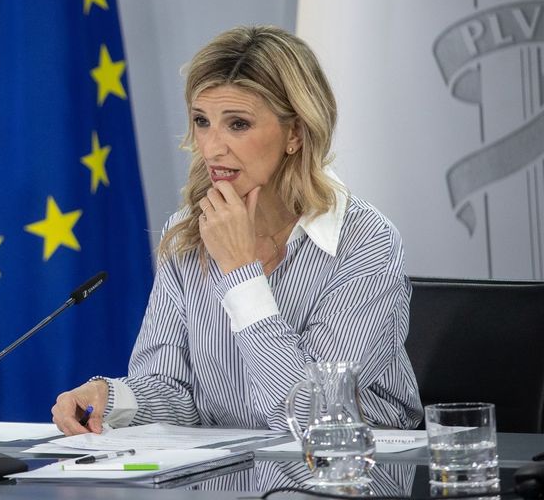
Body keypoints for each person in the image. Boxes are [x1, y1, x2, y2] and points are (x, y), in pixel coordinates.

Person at [52, 26, 422, 433]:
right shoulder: (189, 232)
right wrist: (113, 398)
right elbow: (174, 389)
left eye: (238, 124)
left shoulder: (367, 242)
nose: (211, 147)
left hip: (345, 477)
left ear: (295, 133)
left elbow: (316, 415)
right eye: (201, 121)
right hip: (225, 481)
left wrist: (242, 275)